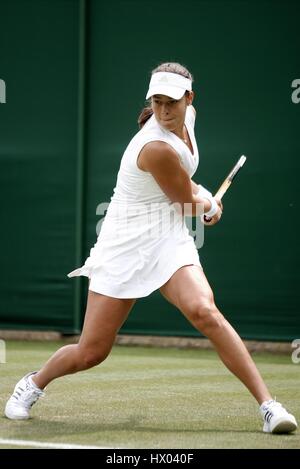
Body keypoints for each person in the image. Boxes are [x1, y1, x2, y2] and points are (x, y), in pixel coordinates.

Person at [5, 62, 297, 434]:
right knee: (91, 351)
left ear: (189, 98)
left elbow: (183, 187)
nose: (163, 110)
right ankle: (32, 383)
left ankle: (269, 406)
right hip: (124, 244)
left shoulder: (188, 117)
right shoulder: (155, 146)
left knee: (204, 310)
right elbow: (184, 199)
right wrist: (209, 206)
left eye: (171, 102)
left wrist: (204, 200)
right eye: (156, 102)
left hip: (167, 237)